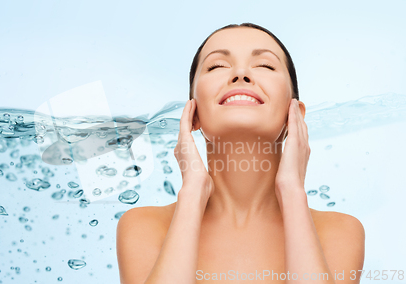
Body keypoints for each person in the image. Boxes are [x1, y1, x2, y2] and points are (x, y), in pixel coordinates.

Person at [116, 23, 365, 284]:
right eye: (217, 66)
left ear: (295, 115)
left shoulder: (340, 232)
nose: (241, 73)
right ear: (193, 113)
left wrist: (292, 190)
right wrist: (192, 192)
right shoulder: (143, 226)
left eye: (265, 65)